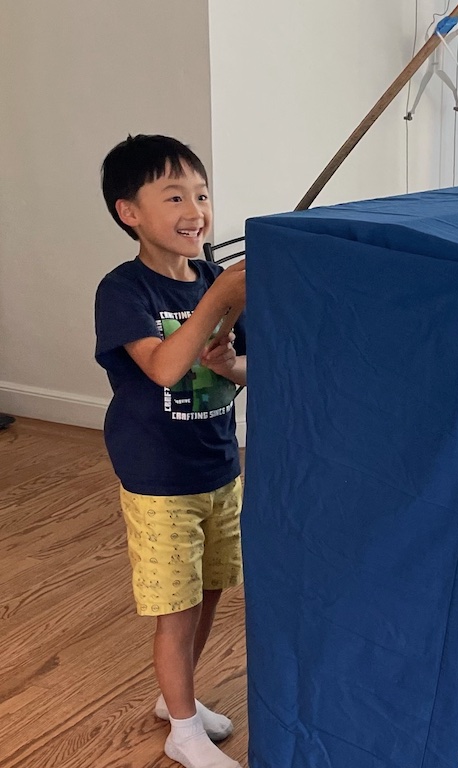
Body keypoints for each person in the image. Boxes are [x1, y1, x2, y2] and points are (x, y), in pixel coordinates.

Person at [95, 134, 247, 768]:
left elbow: (246, 368)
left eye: (203, 194)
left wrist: (230, 360)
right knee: (175, 608)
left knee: (210, 591)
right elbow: (160, 368)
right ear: (130, 212)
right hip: (158, 476)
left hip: (218, 465)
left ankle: (174, 699)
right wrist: (216, 303)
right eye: (175, 195)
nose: (196, 210)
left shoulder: (215, 278)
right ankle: (182, 730)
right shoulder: (124, 290)